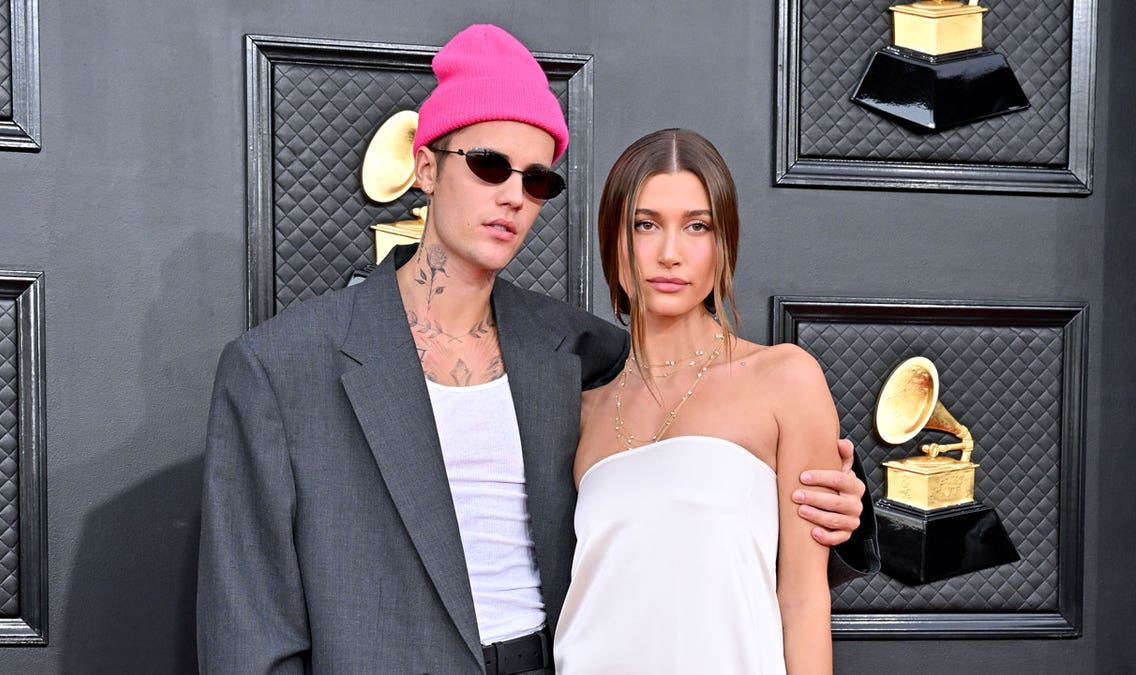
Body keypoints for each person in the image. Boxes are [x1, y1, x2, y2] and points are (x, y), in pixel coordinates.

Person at [197, 26, 875, 674]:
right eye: (490, 165)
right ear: (425, 166)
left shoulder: (581, 353)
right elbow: (248, 634)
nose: (512, 196)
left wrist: (844, 506)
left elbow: (695, 495)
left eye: (536, 180)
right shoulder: (283, 367)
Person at [553, 128, 848, 673]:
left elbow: (805, 600)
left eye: (696, 226)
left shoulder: (784, 379)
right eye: (645, 225)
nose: (670, 253)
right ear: (612, 241)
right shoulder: (582, 409)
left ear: (723, 244)